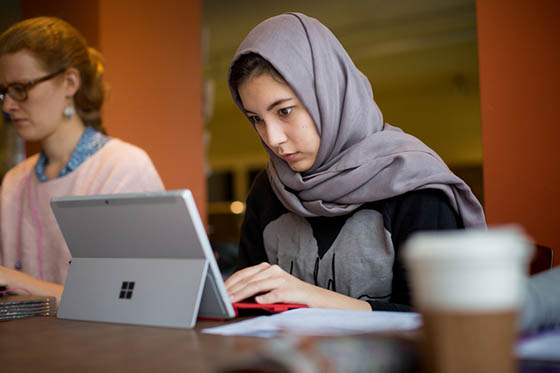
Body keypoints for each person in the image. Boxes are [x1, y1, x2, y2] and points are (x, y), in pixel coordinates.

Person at [224, 13, 486, 311]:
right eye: (256, 119)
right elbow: (251, 302)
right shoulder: (269, 188)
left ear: (328, 96)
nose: (273, 139)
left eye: (284, 111)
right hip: (281, 356)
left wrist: (315, 299)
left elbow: (441, 319)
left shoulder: (412, 184)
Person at [0, 17, 164, 303]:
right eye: (4, 91)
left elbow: (132, 299)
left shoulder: (123, 167)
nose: (8, 105)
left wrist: (12, 279)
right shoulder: (15, 180)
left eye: (21, 88)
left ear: (70, 82)